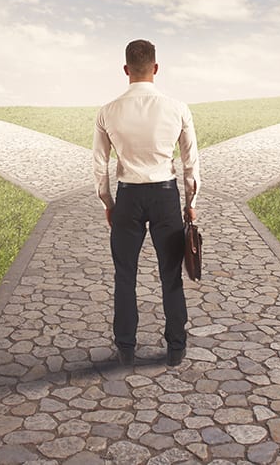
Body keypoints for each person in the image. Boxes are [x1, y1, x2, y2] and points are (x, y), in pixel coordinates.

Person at [93, 39, 200, 367]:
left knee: (125, 274)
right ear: (155, 68)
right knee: (171, 274)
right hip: (165, 195)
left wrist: (108, 203)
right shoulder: (178, 108)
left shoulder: (107, 111)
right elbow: (189, 161)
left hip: (128, 196)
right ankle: (176, 348)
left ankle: (126, 346)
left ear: (126, 70)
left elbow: (100, 165)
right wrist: (191, 202)